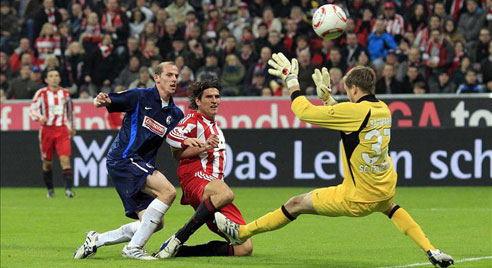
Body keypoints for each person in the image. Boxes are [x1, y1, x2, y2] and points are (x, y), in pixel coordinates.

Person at [214, 53, 454, 268]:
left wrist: (292, 82)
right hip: (383, 188)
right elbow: (353, 122)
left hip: (355, 197)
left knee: (296, 204)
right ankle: (431, 249)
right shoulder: (383, 109)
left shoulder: (355, 112)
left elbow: (304, 112)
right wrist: (328, 99)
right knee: (392, 209)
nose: (348, 94)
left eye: (347, 90)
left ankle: (241, 233)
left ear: (355, 89)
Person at [73, 62, 197, 260]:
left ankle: (97, 239)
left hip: (140, 164)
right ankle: (133, 249)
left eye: (176, 75)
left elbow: (176, 144)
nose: (174, 79)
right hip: (123, 157)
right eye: (169, 75)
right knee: (168, 192)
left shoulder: (175, 114)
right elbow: (108, 100)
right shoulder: (140, 96)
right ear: (156, 78)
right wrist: (100, 101)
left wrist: (195, 144)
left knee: (154, 223)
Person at [154, 79, 253, 258]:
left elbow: (178, 155)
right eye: (209, 96)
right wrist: (203, 146)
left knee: (244, 248)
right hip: (197, 179)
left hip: (213, 189)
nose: (214, 100)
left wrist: (204, 147)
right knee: (226, 194)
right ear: (198, 101)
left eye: (217, 96)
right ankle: (180, 236)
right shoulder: (193, 119)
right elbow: (172, 136)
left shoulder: (215, 127)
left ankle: (180, 251)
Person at [29, 69, 75, 198]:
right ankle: (50, 190)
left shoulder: (66, 93)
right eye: (51, 76)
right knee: (47, 163)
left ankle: (68, 190)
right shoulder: (41, 93)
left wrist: (72, 127)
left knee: (65, 159)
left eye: (56, 75)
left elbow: (70, 112)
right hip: (47, 131)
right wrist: (39, 117)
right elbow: (32, 110)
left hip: (62, 130)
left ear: (60, 79)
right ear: (46, 80)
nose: (54, 78)